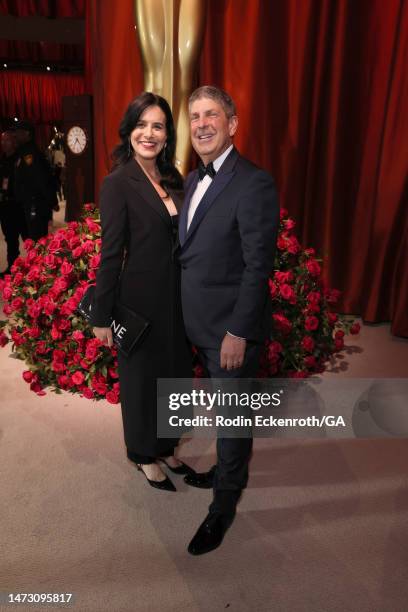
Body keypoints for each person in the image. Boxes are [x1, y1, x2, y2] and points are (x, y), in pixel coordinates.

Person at [179, 86, 280, 554]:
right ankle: (224, 471)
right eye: (194, 115)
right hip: (195, 324)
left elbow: (259, 265)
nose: (201, 123)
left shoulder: (254, 181)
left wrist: (238, 330)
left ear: (232, 124)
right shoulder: (191, 179)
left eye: (211, 115)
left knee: (233, 419)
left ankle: (223, 506)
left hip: (229, 332)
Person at [90, 92, 194, 492]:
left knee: (176, 376)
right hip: (139, 300)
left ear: (167, 135)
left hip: (179, 299)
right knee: (141, 381)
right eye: (141, 125)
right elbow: (111, 252)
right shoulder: (118, 183)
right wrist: (101, 316)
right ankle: (142, 454)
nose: (148, 134)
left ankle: (167, 446)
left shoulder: (174, 179)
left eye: (157, 126)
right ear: (128, 131)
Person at [13, 121, 58, 240]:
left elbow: (41, 179)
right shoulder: (22, 152)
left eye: (18, 132)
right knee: (32, 240)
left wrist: (52, 201)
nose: (15, 135)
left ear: (27, 134)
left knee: (38, 240)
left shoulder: (30, 154)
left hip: (35, 205)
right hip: (28, 204)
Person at [0, 131, 27, 275]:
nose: (3, 143)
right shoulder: (2, 160)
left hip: (19, 206)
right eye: (2, 141)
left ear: (14, 142)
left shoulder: (20, 160)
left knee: (27, 238)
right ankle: (12, 268)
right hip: (5, 206)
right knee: (10, 239)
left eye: (7, 140)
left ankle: (35, 267)